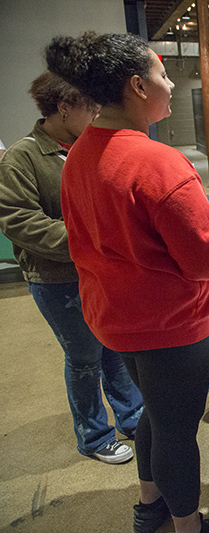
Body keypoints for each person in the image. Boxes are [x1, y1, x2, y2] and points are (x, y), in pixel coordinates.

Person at [45, 32, 209, 533]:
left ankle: (149, 505)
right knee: (177, 431)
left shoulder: (80, 153)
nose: (171, 83)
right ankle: (187, 526)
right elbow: (206, 259)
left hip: (117, 318)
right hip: (172, 326)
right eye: (162, 74)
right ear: (137, 85)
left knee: (154, 414)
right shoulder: (158, 162)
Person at [0, 71, 143, 464]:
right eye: (90, 108)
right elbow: (18, 220)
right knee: (83, 357)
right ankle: (94, 436)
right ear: (63, 107)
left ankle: (131, 416)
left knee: (112, 345)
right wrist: (88, 237)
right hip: (57, 276)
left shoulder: (88, 147)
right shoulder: (23, 155)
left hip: (98, 270)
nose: (97, 115)